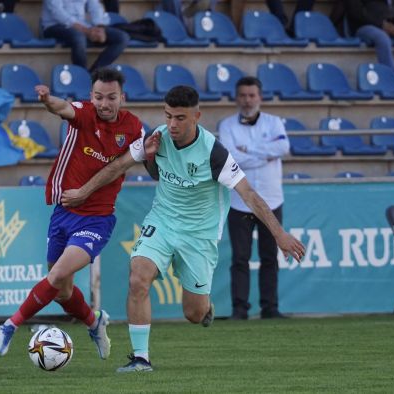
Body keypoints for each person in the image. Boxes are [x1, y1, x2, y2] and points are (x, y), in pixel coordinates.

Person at [61, 85, 305, 372]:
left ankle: (206, 309)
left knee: (193, 313)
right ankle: (141, 359)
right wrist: (83, 192)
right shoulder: (157, 138)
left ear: (196, 116)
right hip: (162, 221)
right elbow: (118, 166)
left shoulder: (214, 152)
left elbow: (248, 193)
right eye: (168, 116)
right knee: (138, 277)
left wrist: (279, 234)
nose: (172, 125)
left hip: (199, 235)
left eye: (179, 118)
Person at [0, 67, 152, 359]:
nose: (104, 104)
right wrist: (46, 99)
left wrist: (85, 192)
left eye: (111, 97)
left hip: (97, 219)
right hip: (65, 212)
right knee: (63, 291)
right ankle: (94, 321)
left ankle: (10, 325)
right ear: (91, 96)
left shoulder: (134, 129)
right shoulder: (84, 114)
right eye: (99, 97)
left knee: (57, 273)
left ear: (122, 98)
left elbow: (123, 165)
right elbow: (62, 107)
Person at [218, 76, 289, 320]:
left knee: (270, 257)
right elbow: (231, 159)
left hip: (271, 200)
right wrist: (264, 154)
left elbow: (283, 149)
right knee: (240, 257)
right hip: (239, 201)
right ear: (237, 98)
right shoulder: (227, 125)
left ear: (260, 97)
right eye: (243, 95)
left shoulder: (274, 122)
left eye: (252, 95)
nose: (247, 100)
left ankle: (270, 308)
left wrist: (249, 151)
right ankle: (240, 309)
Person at [40, 0, 129, 72]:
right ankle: (81, 75)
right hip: (54, 26)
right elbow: (57, 12)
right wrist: (86, 30)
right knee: (79, 38)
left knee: (122, 37)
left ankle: (94, 73)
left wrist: (100, 28)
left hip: (82, 26)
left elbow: (95, 7)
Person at [345, 0, 394, 76]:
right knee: (382, 39)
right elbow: (355, 11)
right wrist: (381, 24)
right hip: (366, 25)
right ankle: (391, 79)